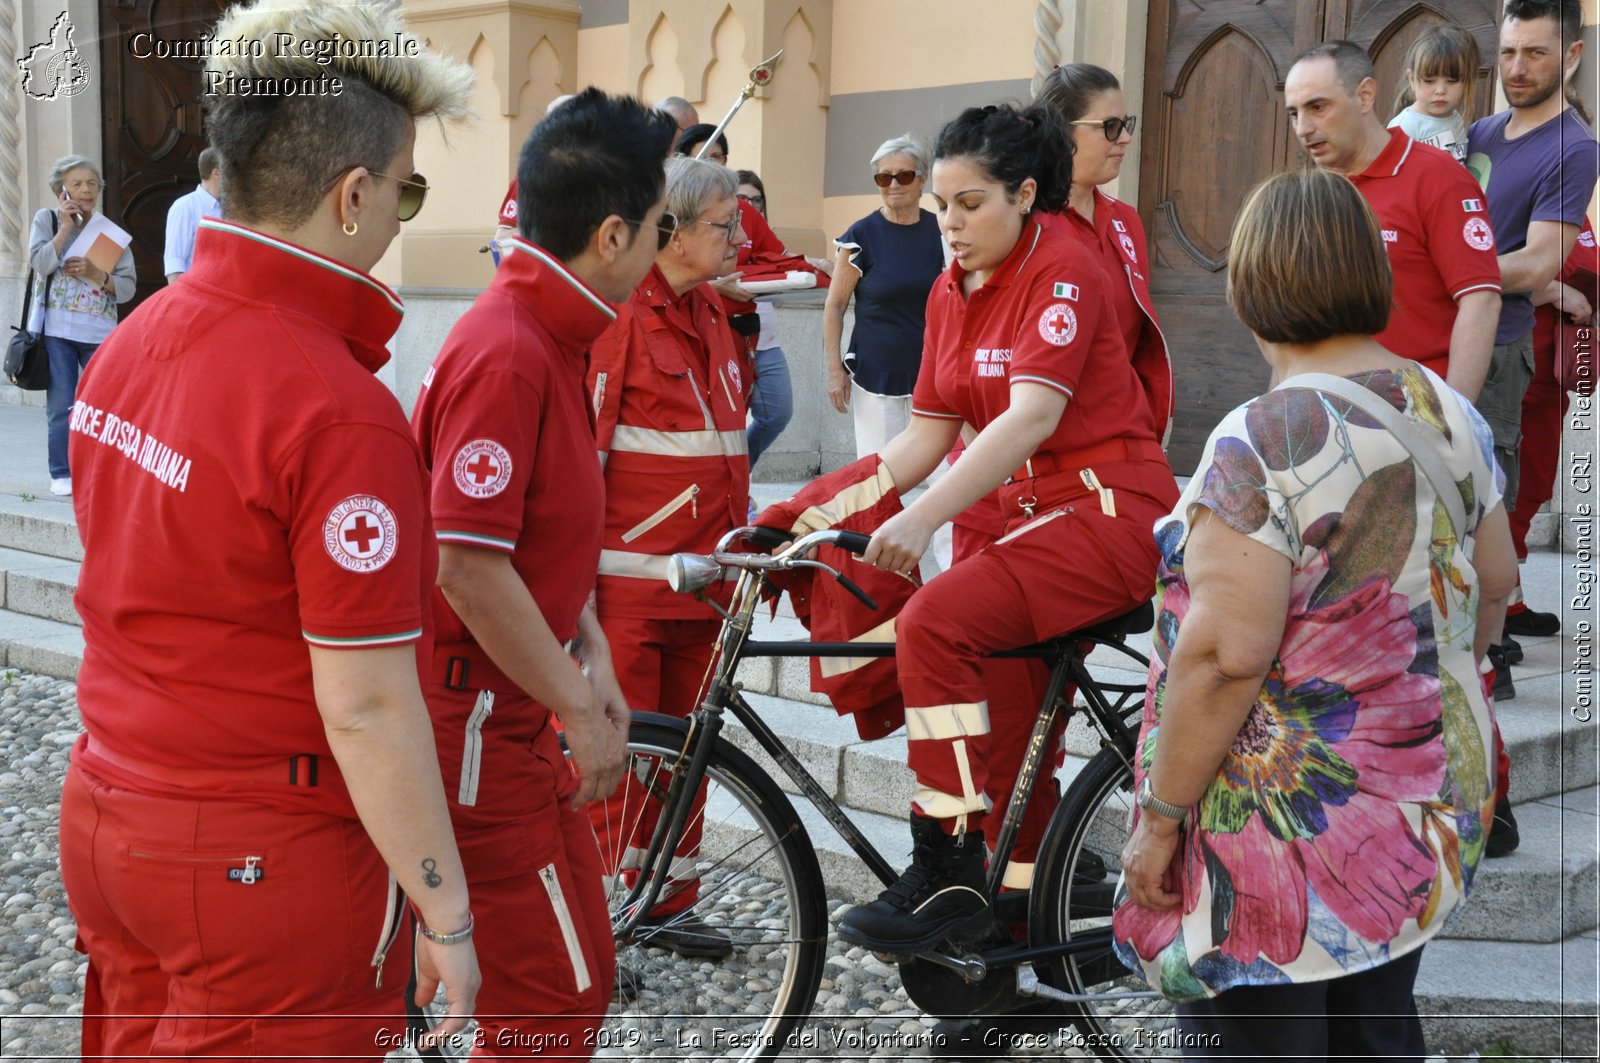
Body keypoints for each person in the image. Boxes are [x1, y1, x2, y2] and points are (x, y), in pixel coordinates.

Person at [57, 1, 481, 1058]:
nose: (398, 217)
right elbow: (370, 702)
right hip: (255, 854)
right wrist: (448, 912)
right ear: (350, 196)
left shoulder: (141, 332)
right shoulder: (333, 407)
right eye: (404, 189)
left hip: (111, 805)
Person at [1114, 167, 1516, 1060]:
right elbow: (1496, 574)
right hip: (1422, 795)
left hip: (1287, 822)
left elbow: (1224, 658)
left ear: (1251, 282)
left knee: (1261, 1033)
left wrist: (1161, 817)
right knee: (1375, 1027)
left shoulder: (1258, 439)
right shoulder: (1442, 405)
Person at [818, 102, 1179, 953]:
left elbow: (1029, 419)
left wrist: (921, 516)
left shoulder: (1064, 266)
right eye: (942, 205)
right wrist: (803, 512)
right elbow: (923, 435)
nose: (950, 222)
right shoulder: (953, 286)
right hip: (1015, 516)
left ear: (1024, 195)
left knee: (933, 618)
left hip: (1102, 506)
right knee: (1008, 752)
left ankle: (940, 863)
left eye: (970, 203)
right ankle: (1009, 949)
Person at [410, 88, 676, 1051]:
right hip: (479, 725)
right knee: (547, 1000)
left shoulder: (547, 331)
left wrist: (589, 648)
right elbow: (467, 565)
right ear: (612, 234)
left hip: (514, 718)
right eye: (660, 225)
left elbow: (534, 541)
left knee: (579, 971)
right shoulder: (511, 351)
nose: (662, 248)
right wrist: (576, 702)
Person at [585, 155, 749, 959]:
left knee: (686, 762)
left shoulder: (713, 311)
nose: (739, 236)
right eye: (725, 223)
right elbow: (585, 455)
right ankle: (585, 931)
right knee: (607, 765)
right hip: (626, 594)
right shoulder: (619, 316)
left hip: (705, 588)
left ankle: (665, 904)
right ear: (672, 231)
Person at [1467, 0, 1598, 646]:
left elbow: (1542, 260)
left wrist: (1447, 265)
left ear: (1571, 56)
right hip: (1453, 335)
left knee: (1496, 489)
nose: (1516, 68)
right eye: (1510, 51)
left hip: (1506, 343)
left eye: (1536, 53)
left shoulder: (1574, 147)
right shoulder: (1482, 133)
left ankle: (1494, 645)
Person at [1285, 42, 1502, 402]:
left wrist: (1454, 418)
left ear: (1365, 96)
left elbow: (1480, 301)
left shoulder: (1437, 177)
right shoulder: (1311, 193)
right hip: (1327, 414)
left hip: (1416, 414)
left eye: (1318, 107)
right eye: (1294, 114)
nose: (1304, 128)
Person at [1036, 63, 1174, 443]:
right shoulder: (1023, 225)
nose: (1126, 138)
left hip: (1118, 436)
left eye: (1126, 123)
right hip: (1041, 446)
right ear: (1062, 134)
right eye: (1110, 127)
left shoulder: (1125, 220)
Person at [823, 134, 945, 456]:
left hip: (932, 368)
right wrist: (836, 371)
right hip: (876, 369)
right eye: (883, 177)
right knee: (880, 471)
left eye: (904, 176)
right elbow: (834, 306)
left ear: (923, 180)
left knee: (945, 472)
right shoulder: (860, 236)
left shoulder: (943, 232)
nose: (893, 184)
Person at [27, 155, 135, 496]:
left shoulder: (109, 234)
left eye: (91, 183)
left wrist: (96, 273)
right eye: (76, 184)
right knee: (61, 406)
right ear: (61, 190)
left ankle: (101, 471)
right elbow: (40, 264)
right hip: (57, 332)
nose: (86, 190)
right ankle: (62, 472)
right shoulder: (46, 220)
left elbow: (128, 288)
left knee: (104, 406)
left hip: (99, 335)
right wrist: (65, 229)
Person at [734, 169, 793, 465]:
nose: (750, 205)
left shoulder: (761, 236)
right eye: (742, 198)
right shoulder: (727, 235)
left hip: (767, 343)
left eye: (757, 200)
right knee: (730, 424)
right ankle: (737, 492)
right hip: (731, 338)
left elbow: (785, 262)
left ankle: (740, 473)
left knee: (778, 413)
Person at [1388, 23, 1480, 161]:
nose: (1440, 90)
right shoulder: (1404, 127)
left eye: (1452, 81)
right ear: (1411, 80)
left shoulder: (1457, 120)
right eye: (1430, 81)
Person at [162, 146, 222, 282]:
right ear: (216, 173)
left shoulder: (230, 208)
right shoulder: (184, 207)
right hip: (196, 295)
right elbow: (174, 261)